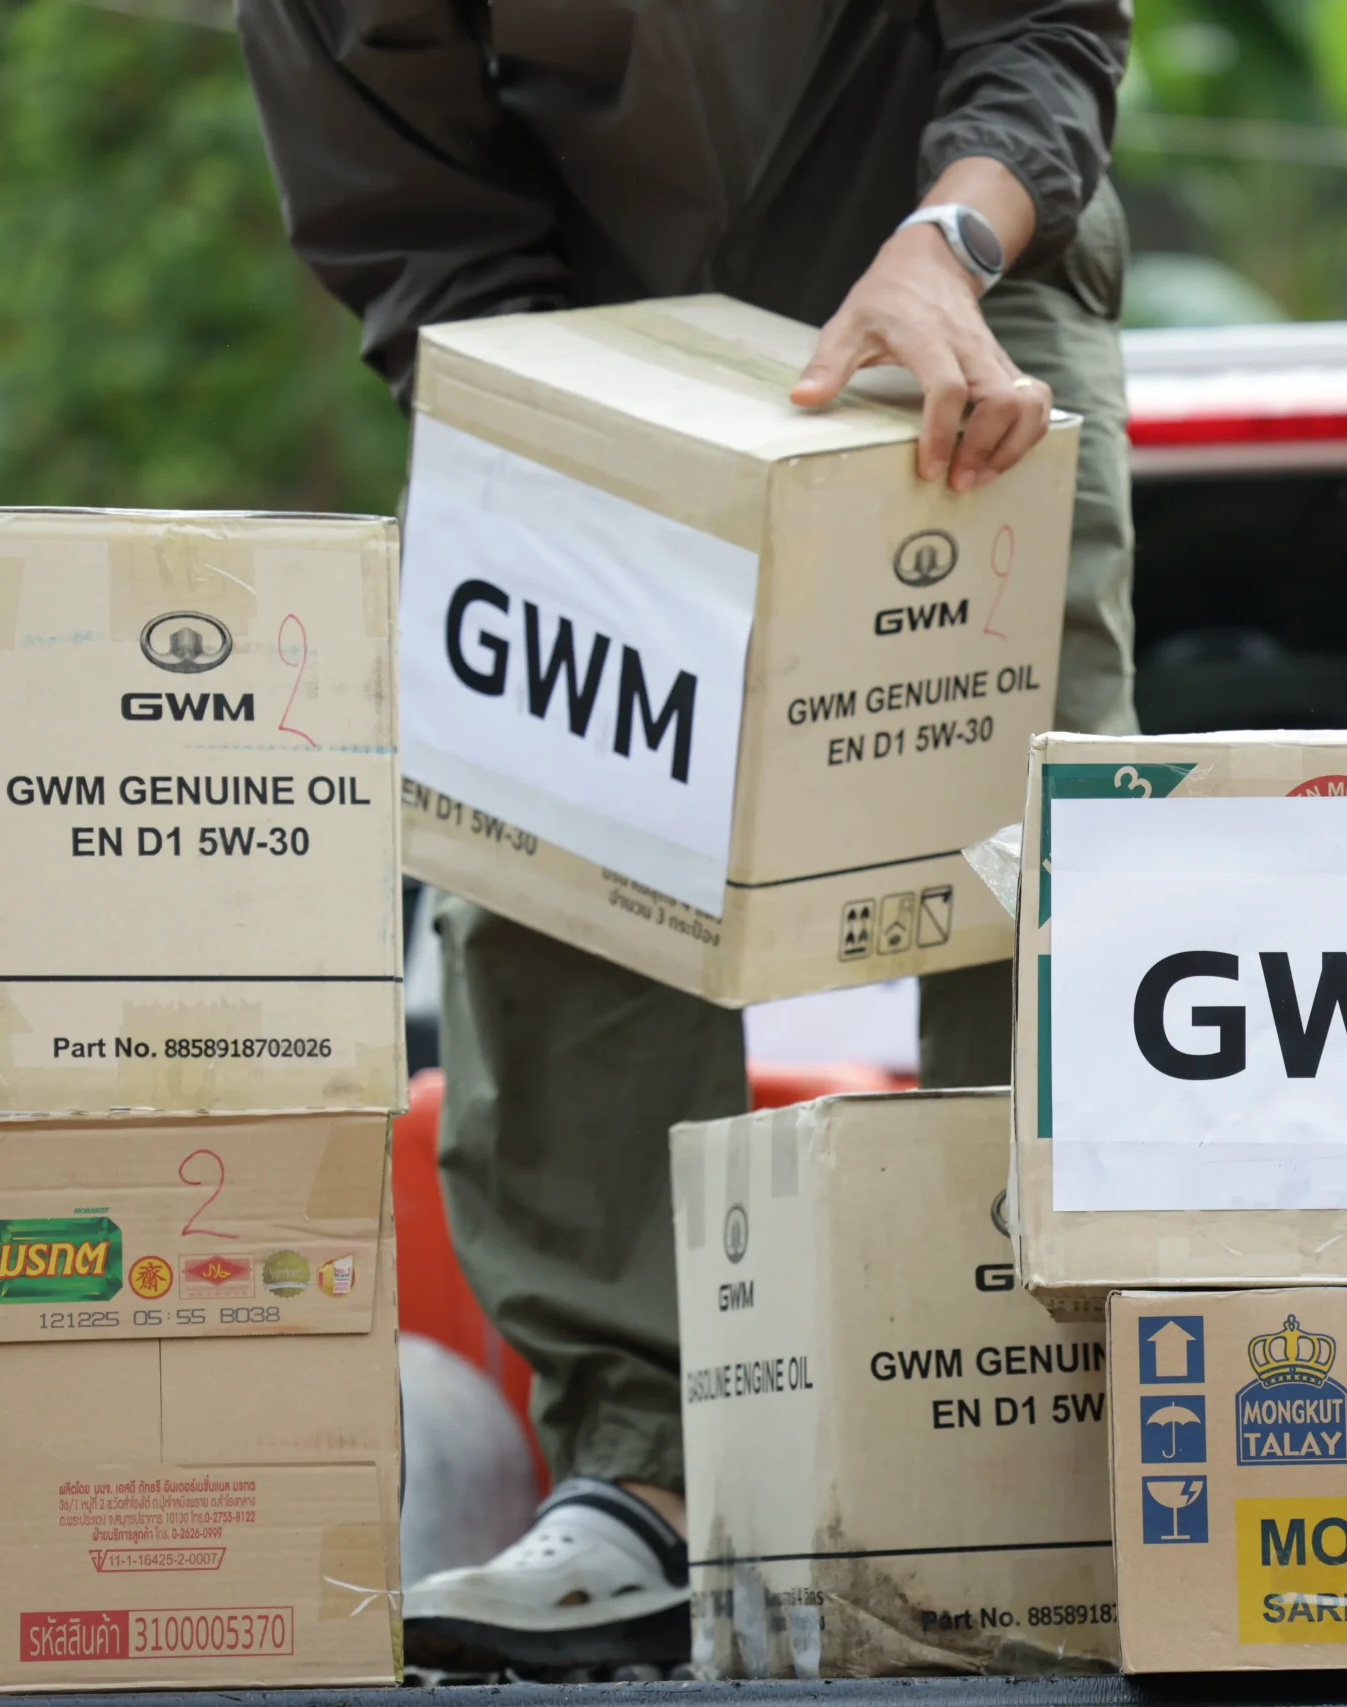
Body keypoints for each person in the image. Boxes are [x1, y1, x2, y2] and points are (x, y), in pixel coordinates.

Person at [233, 0, 1136, 1672]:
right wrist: (576, 430)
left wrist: (949, 236)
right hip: (582, 306)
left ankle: (1048, 1440)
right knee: (552, 826)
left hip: (959, 264)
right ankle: (645, 1474)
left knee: (1034, 839)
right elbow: (407, 205)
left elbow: (1044, 27)